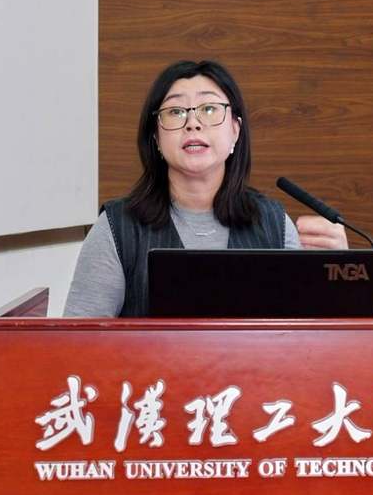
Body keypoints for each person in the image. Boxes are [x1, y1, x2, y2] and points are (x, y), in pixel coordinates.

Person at [64, 60, 347, 317]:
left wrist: (338, 276)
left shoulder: (274, 224)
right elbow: (78, 343)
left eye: (209, 109)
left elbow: (309, 338)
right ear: (156, 138)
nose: (193, 124)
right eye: (175, 112)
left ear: (235, 130)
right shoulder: (117, 228)